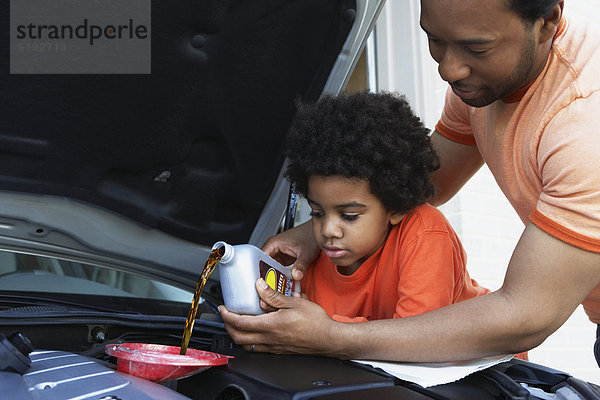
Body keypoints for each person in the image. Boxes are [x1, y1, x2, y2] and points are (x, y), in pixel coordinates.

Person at [219, 0, 600, 364]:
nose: (450, 70)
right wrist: (316, 228)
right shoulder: (481, 86)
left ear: (547, 22)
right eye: (435, 40)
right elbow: (423, 182)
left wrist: (329, 336)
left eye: (476, 48)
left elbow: (524, 315)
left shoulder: (585, 125)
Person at [281, 91, 494, 328]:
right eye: (317, 213)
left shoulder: (425, 233)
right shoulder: (314, 258)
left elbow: (417, 339)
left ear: (396, 207)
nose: (329, 230)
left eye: (349, 215)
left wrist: (318, 328)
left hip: (494, 362)